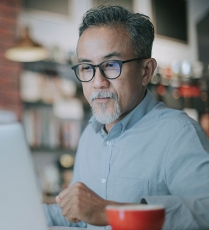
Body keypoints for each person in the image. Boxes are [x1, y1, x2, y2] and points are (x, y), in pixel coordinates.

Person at [43, 4, 209, 230]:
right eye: (86, 67)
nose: (97, 82)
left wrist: (108, 212)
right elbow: (79, 217)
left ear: (146, 71)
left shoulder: (178, 134)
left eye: (111, 65)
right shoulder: (89, 136)